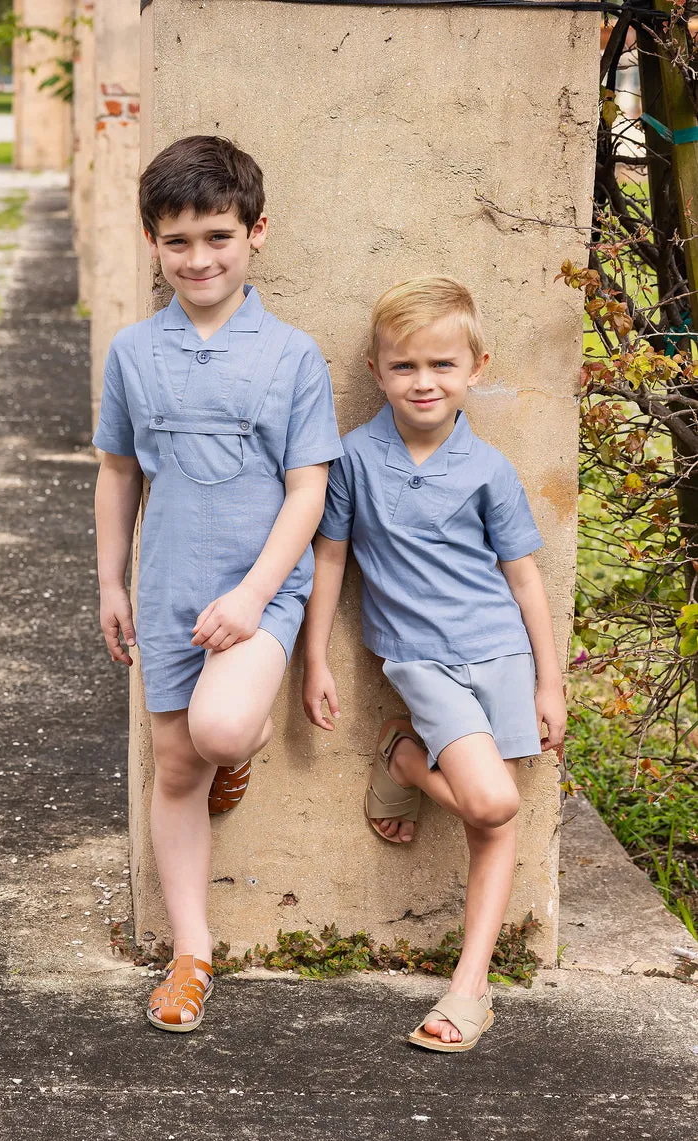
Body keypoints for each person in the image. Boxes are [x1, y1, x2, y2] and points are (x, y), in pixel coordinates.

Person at [93, 135, 342, 1031]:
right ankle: (191, 953)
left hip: (258, 589)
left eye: (216, 238)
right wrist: (109, 582)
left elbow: (309, 488)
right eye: (176, 242)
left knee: (222, 727)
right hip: (165, 585)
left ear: (255, 234)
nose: (197, 259)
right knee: (172, 764)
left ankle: (228, 761)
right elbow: (119, 471)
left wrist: (250, 597)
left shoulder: (291, 356)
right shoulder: (132, 351)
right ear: (153, 244)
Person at [302, 276, 567, 1053]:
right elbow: (329, 560)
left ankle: (470, 986)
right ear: (378, 371)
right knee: (490, 805)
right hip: (420, 662)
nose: (424, 382)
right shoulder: (350, 460)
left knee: (496, 822)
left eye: (442, 366)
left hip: (500, 654)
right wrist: (313, 656)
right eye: (406, 366)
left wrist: (547, 681)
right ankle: (405, 754)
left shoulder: (488, 471)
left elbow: (524, 580)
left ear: (475, 367)